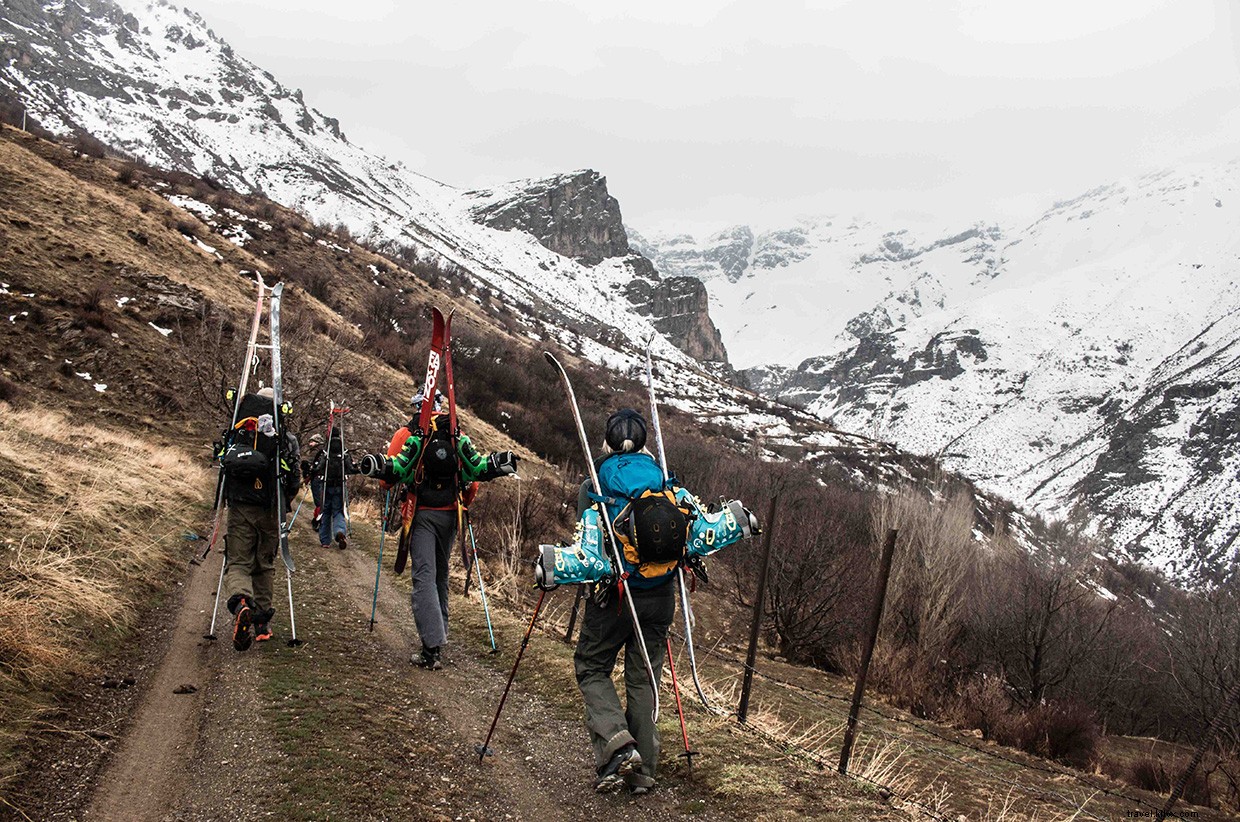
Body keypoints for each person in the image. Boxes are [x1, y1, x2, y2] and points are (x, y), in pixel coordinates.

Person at [361, 394, 518, 669]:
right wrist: (497, 467)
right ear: (441, 408)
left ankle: (431, 647)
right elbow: (477, 470)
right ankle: (438, 634)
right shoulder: (458, 436)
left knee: (424, 575)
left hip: (421, 514)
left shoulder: (415, 435)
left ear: (420, 409)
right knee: (441, 576)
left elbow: (397, 469)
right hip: (451, 515)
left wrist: (376, 467)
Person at [573, 409, 681, 795]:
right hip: (661, 595)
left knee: (591, 667)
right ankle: (643, 772)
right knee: (644, 678)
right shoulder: (663, 481)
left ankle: (617, 743)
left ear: (607, 441)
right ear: (645, 442)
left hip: (615, 595)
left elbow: (587, 543)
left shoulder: (595, 480)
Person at [219, 385, 300, 650]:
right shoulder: (285, 437)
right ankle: (262, 624)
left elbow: (224, 468)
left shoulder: (239, 431)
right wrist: (285, 501)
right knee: (264, 564)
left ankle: (242, 603)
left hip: (241, 505)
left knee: (239, 561)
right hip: (270, 507)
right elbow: (294, 479)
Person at [309, 427, 359, 549]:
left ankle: (325, 541)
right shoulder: (344, 452)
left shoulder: (325, 452)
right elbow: (351, 469)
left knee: (325, 512)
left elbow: (318, 468)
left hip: (326, 486)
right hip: (340, 486)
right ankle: (339, 532)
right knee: (338, 511)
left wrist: (310, 470)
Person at [301, 432, 325, 531]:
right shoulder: (324, 452)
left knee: (319, 502)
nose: (310, 444)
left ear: (317, 443)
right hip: (324, 479)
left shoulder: (316, 452)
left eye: (312, 442)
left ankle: (318, 521)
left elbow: (310, 465)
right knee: (322, 500)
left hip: (317, 478)